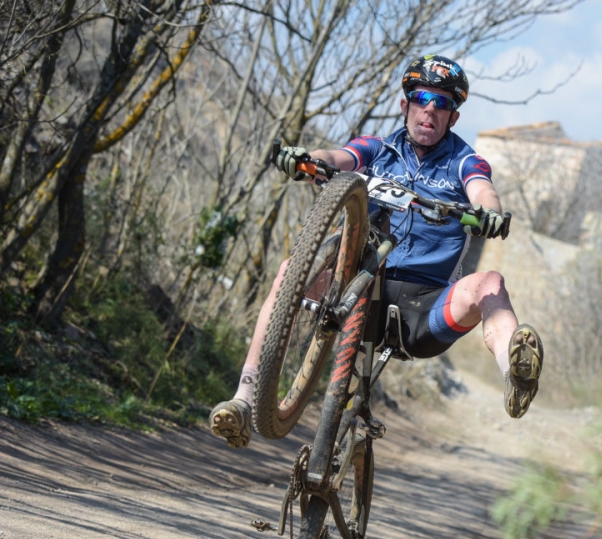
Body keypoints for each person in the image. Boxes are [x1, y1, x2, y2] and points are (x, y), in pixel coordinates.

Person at [209, 55, 543, 449]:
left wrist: (489, 212)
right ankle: (245, 399)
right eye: (422, 99)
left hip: (422, 310)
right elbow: (337, 158)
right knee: (287, 272)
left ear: (453, 117)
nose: (430, 110)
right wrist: (306, 160)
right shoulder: (377, 149)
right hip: (355, 289)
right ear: (405, 105)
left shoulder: (464, 162)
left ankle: (515, 375)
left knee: (490, 283)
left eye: (442, 103)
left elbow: (482, 188)